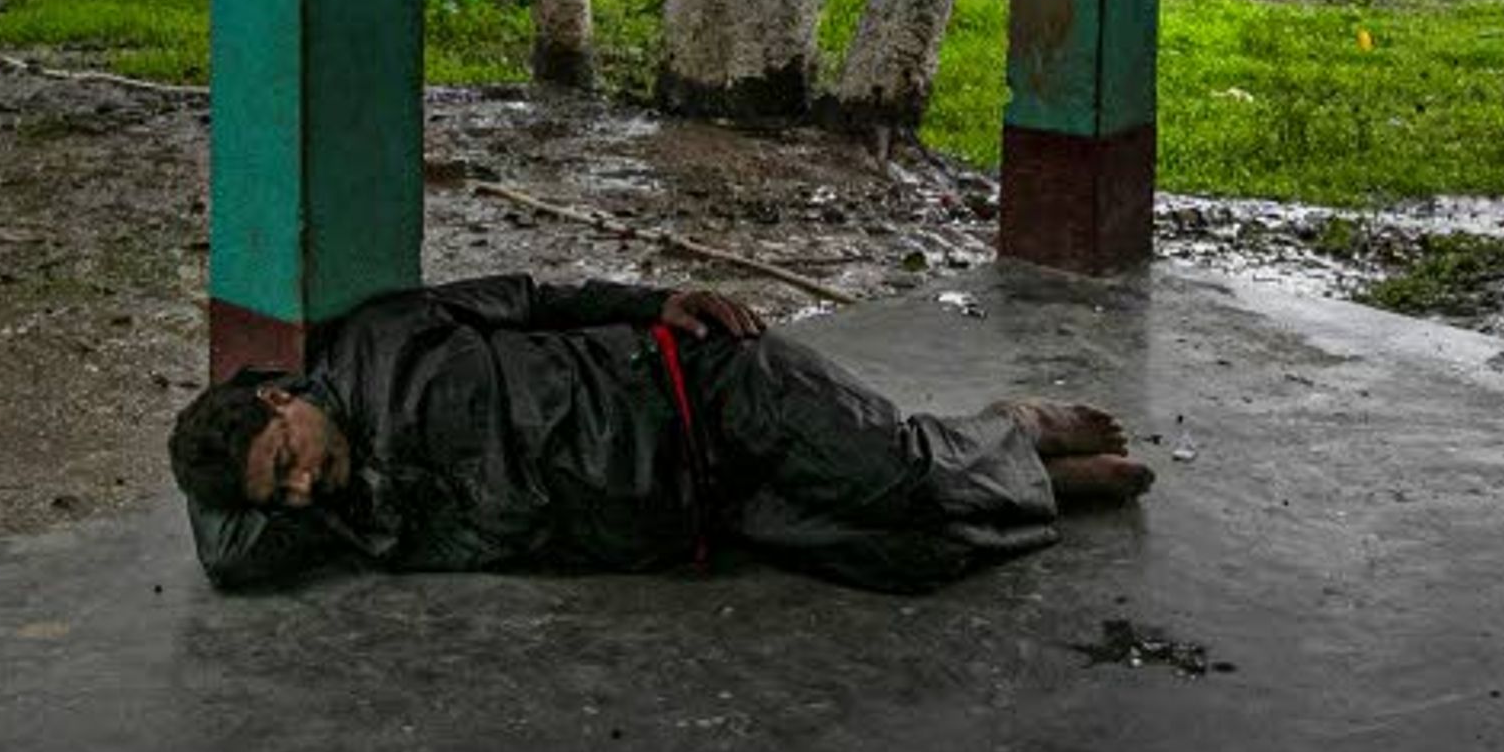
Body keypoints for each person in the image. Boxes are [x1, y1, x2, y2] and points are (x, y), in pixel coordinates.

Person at [165, 273, 1150, 595]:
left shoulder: (380, 338)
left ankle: (1011, 425)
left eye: (286, 463)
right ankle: (1037, 480)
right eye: (278, 496)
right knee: (908, 555)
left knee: (888, 473)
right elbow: (224, 553)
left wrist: (660, 299)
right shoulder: (353, 521)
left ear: (279, 401)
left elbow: (536, 298)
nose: (299, 492)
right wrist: (248, 483)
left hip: (702, 387)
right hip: (698, 514)